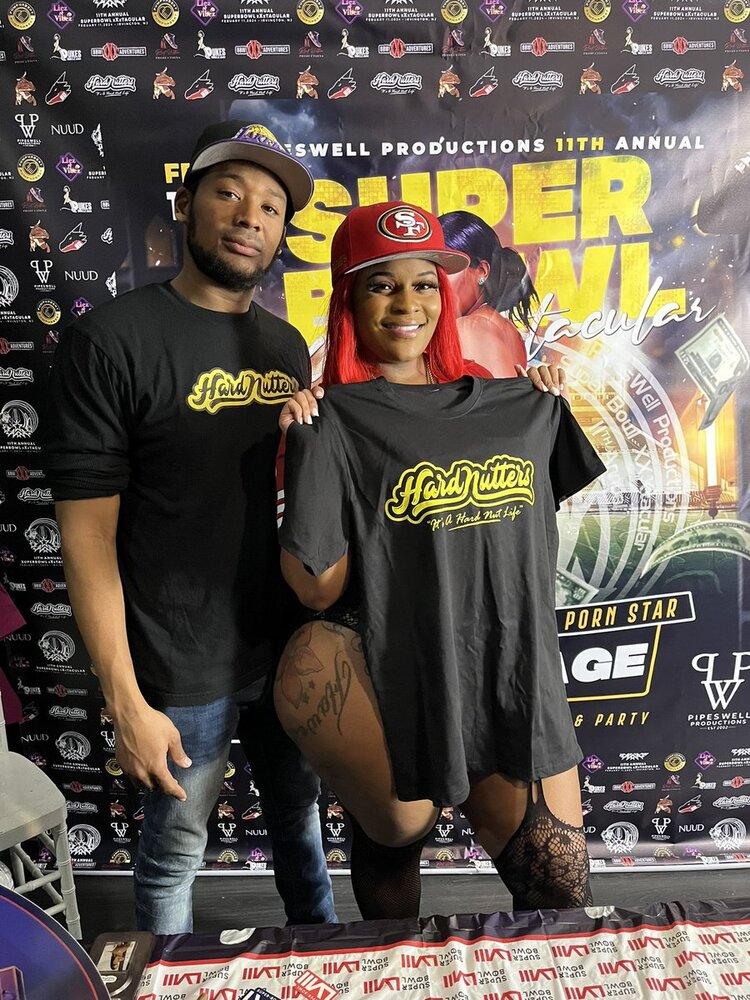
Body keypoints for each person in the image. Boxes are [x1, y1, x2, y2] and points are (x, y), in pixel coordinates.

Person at [42, 121, 336, 933]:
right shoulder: (111, 341)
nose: (250, 217)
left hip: (288, 649)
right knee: (175, 852)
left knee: (302, 828)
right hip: (180, 660)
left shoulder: (285, 346)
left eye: (271, 206)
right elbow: (86, 537)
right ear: (184, 205)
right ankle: (165, 983)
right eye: (229, 192)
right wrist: (125, 701)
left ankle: (327, 964)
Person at [274, 201, 605, 920]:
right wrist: (308, 455)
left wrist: (544, 400)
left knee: (559, 890)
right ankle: (392, 965)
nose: (408, 303)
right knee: (396, 834)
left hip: (508, 665)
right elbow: (318, 587)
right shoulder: (329, 419)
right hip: (391, 664)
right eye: (381, 284)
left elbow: (536, 520)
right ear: (349, 299)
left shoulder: (518, 401)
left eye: (424, 283)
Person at [438, 209, 539, 377]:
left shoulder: (469, 328)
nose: (436, 281)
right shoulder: (504, 327)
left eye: (447, 268)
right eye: (432, 270)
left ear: (482, 271)